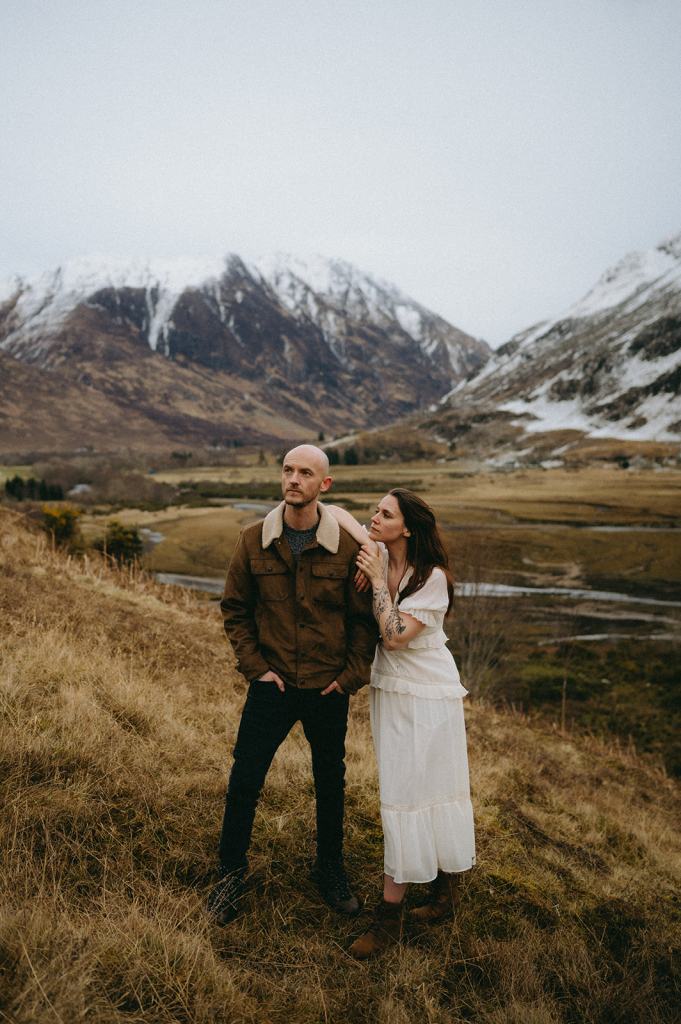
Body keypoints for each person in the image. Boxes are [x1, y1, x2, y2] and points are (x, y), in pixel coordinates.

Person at [207, 445, 377, 925]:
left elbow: (363, 622)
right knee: (245, 780)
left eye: (306, 473)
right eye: (288, 470)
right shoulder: (252, 540)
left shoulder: (349, 548)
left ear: (326, 484)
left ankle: (329, 870)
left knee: (330, 783)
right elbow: (235, 610)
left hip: (328, 688)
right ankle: (230, 873)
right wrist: (256, 668)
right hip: (272, 686)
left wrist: (349, 678)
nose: (293, 479)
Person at [327, 490, 475, 959]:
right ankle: (444, 894)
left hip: (429, 694)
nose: (374, 518)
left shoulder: (432, 579)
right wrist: (358, 534)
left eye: (385, 514)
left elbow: (393, 638)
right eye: (375, 510)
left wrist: (375, 583)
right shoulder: (380, 552)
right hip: (391, 692)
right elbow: (335, 514)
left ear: (407, 528)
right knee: (411, 789)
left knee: (415, 792)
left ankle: (389, 919)